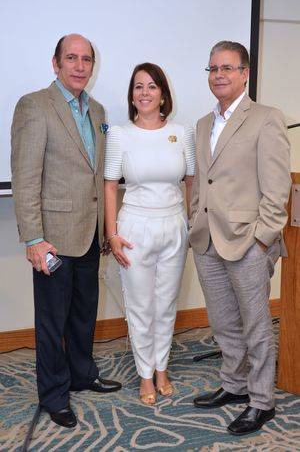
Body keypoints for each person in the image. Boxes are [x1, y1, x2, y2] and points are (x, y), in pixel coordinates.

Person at [11, 34, 121, 429]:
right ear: (55, 63)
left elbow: (99, 176)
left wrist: (107, 229)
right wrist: (33, 239)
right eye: (71, 58)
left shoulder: (98, 111)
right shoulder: (35, 106)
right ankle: (54, 394)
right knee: (52, 321)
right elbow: (25, 179)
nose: (79, 66)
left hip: (90, 235)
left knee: (82, 315)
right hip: (53, 238)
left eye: (86, 59)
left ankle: (82, 373)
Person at [189, 40, 291, 435]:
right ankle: (233, 386)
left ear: (245, 73)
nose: (219, 75)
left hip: (248, 240)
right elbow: (202, 180)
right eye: (213, 68)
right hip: (207, 240)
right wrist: (193, 220)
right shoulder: (202, 124)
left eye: (227, 68)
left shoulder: (266, 118)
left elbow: (277, 186)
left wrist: (263, 238)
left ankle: (262, 401)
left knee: (256, 325)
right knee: (224, 322)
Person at [104, 62, 195, 405]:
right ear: (132, 95)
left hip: (174, 226)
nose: (144, 92)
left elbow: (191, 182)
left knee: (166, 304)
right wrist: (112, 234)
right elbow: (111, 187)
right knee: (141, 305)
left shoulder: (182, 132)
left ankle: (162, 369)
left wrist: (190, 224)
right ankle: (145, 374)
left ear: (162, 95)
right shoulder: (119, 134)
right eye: (138, 86)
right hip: (134, 229)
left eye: (151, 86)